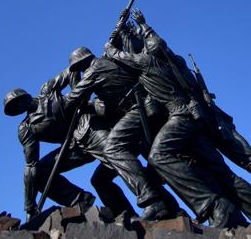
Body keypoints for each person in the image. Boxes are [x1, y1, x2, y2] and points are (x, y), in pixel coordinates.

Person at [110, 9, 251, 229]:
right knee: (225, 175)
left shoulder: (168, 61)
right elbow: (138, 52)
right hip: (197, 123)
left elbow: (134, 51)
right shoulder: (163, 62)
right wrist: (129, 30)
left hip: (212, 120)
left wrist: (128, 31)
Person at [3, 54, 135, 221]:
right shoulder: (27, 128)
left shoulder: (47, 90)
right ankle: (81, 201)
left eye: (17, 101)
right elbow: (31, 166)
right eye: (13, 107)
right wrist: (29, 205)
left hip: (91, 129)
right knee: (41, 173)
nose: (18, 106)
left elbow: (71, 71)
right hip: (73, 148)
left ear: (25, 96)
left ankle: (154, 199)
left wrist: (78, 97)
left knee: (118, 161)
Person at [58, 43, 181, 221]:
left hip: (136, 109)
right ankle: (159, 207)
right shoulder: (108, 62)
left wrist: (73, 80)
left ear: (83, 63)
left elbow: (72, 99)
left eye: (78, 67)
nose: (79, 70)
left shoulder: (94, 70)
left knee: (112, 149)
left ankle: (152, 201)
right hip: (138, 110)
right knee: (99, 179)